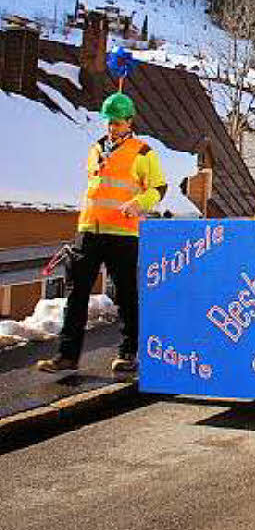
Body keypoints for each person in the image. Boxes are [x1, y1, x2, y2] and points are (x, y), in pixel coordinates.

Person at [38, 93, 167, 374]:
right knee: (76, 294)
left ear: (130, 122)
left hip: (121, 233)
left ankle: (128, 352)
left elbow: (158, 187)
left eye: (118, 123)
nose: (112, 128)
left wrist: (139, 204)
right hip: (89, 230)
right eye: (109, 122)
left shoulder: (143, 152)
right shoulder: (95, 149)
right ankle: (67, 356)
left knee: (125, 294)